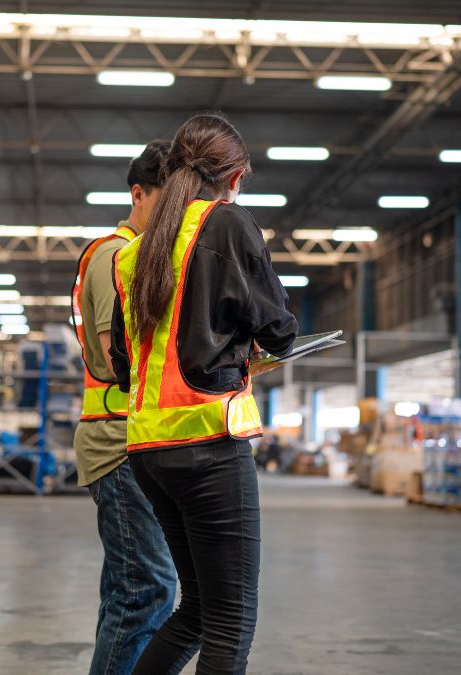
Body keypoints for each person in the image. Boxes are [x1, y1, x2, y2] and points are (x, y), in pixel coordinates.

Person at [109, 113, 298, 674]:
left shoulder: (134, 252)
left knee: (195, 614)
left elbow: (123, 364)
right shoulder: (228, 224)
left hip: (147, 451)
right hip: (208, 444)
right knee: (229, 623)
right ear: (234, 177)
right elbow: (278, 329)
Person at [72, 140, 178, 675]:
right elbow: (123, 360)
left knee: (128, 590)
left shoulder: (141, 258)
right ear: (139, 194)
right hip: (116, 447)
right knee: (148, 591)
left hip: (132, 441)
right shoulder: (116, 257)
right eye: (167, 202)